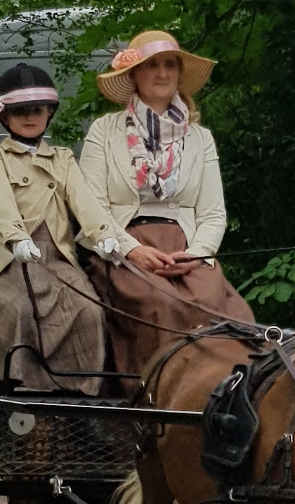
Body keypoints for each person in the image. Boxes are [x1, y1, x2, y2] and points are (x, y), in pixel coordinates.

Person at [0, 63, 143, 393]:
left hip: (55, 258)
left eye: (37, 110)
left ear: (49, 113)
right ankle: (17, 388)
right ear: (5, 117)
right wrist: (17, 237)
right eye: (19, 112)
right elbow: (0, 200)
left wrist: (103, 234)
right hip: (10, 257)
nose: (29, 117)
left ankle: (81, 396)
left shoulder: (62, 158)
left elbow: (84, 200)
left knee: (89, 310)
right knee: (18, 310)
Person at [79, 30, 256, 376]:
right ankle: (152, 402)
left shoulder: (200, 138)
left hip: (184, 248)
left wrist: (197, 253)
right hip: (121, 246)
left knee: (227, 311)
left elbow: (213, 212)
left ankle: (220, 403)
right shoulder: (104, 131)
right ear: (133, 75)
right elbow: (92, 208)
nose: (162, 73)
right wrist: (132, 250)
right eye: (151, 65)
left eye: (169, 65)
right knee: (157, 303)